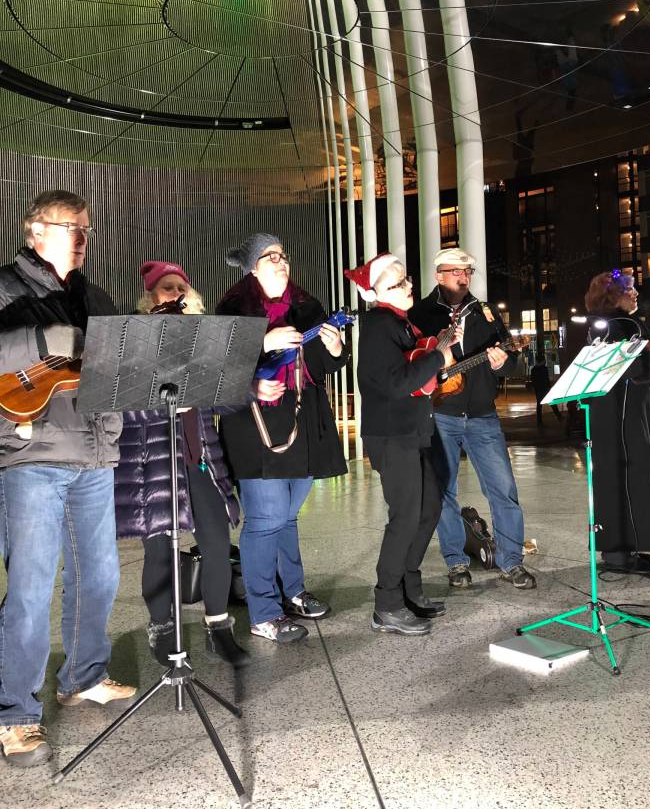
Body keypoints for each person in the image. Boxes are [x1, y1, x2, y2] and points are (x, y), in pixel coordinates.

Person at [0, 190, 135, 768]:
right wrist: (49, 341)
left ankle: (83, 675)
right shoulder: (6, 288)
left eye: (86, 228)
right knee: (30, 589)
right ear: (34, 231)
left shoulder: (97, 296)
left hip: (94, 453)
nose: (80, 236)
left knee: (100, 576)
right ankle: (14, 714)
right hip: (30, 455)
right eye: (68, 227)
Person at [114, 261, 249, 668]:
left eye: (182, 288)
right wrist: (166, 404)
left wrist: (216, 392)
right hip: (153, 463)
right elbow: (119, 411)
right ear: (149, 297)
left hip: (200, 457)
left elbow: (232, 400)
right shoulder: (133, 341)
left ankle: (218, 626)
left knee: (214, 541)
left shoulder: (205, 341)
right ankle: (162, 627)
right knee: (160, 548)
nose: (176, 294)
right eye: (167, 288)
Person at [216, 234, 347, 643]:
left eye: (283, 256)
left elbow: (325, 365)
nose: (280, 261)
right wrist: (263, 344)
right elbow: (216, 370)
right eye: (269, 257)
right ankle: (263, 612)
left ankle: (292, 592)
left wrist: (336, 346)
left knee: (287, 516)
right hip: (254, 426)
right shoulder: (233, 309)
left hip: (303, 421)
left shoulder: (309, 307)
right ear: (253, 267)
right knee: (266, 519)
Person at [410, 248, 536, 591]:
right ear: (438, 274)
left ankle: (511, 561)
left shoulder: (486, 312)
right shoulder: (419, 313)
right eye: (455, 272)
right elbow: (410, 363)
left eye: (467, 272)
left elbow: (510, 358)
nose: (463, 277)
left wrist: (502, 363)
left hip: (483, 415)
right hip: (440, 414)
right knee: (444, 492)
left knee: (504, 490)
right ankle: (456, 562)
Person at [346, 253, 459, 635]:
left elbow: (416, 377)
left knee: (428, 509)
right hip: (392, 435)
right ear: (374, 294)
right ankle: (387, 604)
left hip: (412, 430)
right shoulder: (378, 324)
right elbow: (395, 383)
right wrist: (439, 358)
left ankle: (410, 590)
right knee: (406, 517)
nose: (407, 286)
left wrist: (436, 366)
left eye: (406, 279)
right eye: (395, 284)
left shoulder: (402, 324)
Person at [585, 269, 650, 573]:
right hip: (619, 413)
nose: (635, 293)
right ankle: (617, 552)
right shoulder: (613, 325)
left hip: (631, 409)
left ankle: (629, 546)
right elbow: (632, 371)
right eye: (628, 289)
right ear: (612, 295)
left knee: (635, 475)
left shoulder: (629, 323)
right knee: (626, 475)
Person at [531, 352, 561, 426]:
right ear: (542, 361)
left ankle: (539, 421)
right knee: (552, 403)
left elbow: (533, 380)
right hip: (545, 389)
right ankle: (558, 416)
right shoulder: (544, 369)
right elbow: (546, 380)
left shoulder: (534, 369)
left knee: (539, 405)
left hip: (538, 390)